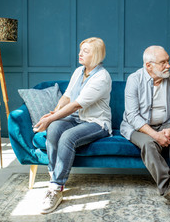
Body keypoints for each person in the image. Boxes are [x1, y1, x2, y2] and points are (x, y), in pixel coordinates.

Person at [33, 37, 112, 214]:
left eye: (85, 51)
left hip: (96, 122)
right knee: (54, 128)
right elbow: (67, 96)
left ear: (97, 55)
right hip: (74, 118)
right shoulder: (78, 71)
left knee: (67, 137)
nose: (80, 53)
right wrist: (54, 113)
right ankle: (54, 176)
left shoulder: (102, 77)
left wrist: (49, 119)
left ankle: (56, 188)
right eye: (80, 49)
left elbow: (77, 104)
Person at [120, 45, 170, 206]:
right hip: (138, 127)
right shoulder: (134, 79)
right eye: (163, 62)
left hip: (165, 124)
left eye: (168, 61)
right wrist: (156, 136)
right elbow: (132, 116)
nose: (168, 65)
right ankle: (168, 187)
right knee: (148, 144)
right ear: (149, 65)